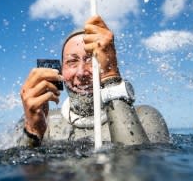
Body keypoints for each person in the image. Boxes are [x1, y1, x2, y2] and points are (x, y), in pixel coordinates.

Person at [18, 15, 170, 147]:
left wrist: (111, 77)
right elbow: (27, 174)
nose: (81, 72)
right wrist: (33, 131)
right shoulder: (44, 122)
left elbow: (135, 174)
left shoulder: (144, 117)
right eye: (72, 61)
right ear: (60, 71)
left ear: (107, 64)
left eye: (92, 59)